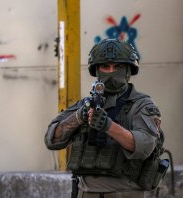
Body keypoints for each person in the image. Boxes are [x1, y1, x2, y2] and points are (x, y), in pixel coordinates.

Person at [44, 38, 166, 198]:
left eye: (118, 66)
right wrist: (78, 117)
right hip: (86, 193)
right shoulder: (86, 104)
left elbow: (145, 146)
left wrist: (108, 125)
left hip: (124, 193)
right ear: (97, 70)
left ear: (129, 70)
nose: (111, 72)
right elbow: (51, 139)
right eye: (105, 67)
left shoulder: (141, 105)